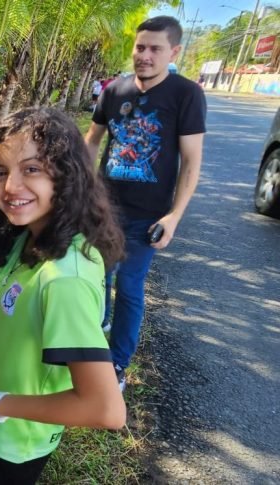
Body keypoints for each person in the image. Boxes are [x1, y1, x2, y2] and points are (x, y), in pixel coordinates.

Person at [0, 107, 127, 485]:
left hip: (16, 441)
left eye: (32, 169)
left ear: (65, 175)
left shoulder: (63, 281)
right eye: (1, 171)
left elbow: (106, 409)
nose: (10, 187)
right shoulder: (27, 233)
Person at [84, 15, 206, 392]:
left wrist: (174, 216)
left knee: (131, 287)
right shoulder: (113, 91)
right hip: (103, 209)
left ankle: (116, 364)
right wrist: (82, 190)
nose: (145, 56)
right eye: (140, 47)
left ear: (173, 52)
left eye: (155, 49)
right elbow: (91, 141)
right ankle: (97, 328)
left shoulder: (186, 94)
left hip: (146, 216)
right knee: (95, 276)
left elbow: (191, 161)